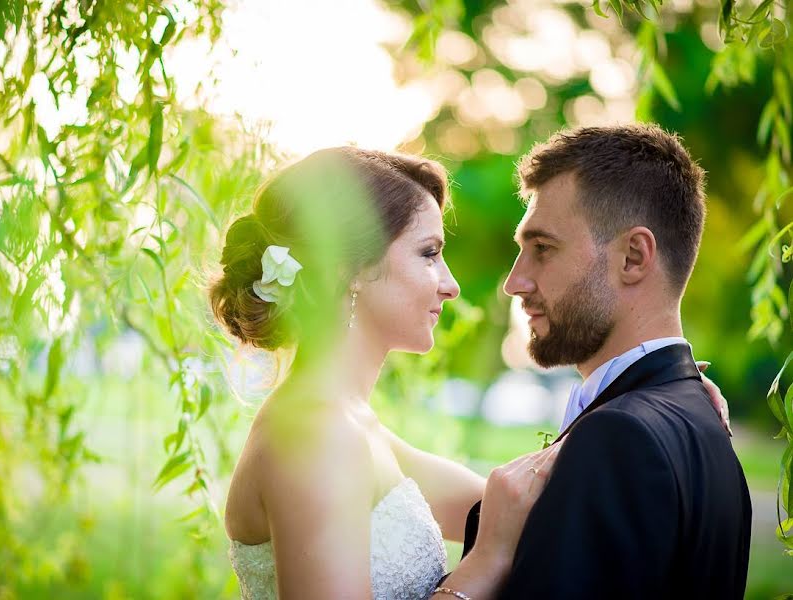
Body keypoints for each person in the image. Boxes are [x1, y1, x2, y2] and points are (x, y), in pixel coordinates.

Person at [210, 145, 730, 599]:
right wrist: (482, 567)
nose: (451, 284)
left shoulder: (352, 425)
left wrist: (659, 394)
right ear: (352, 269)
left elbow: (517, 505)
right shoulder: (315, 435)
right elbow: (500, 531)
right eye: (429, 254)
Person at [441, 124, 752, 600]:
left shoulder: (620, 437)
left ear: (633, 257)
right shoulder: (704, 425)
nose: (514, 282)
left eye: (542, 249)